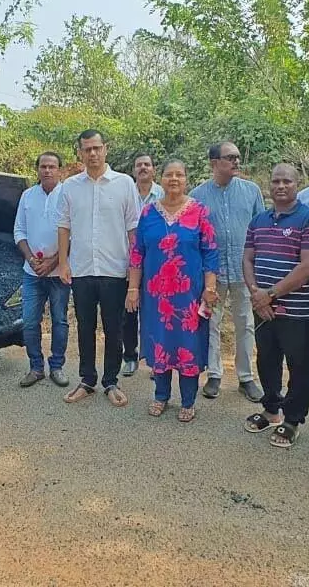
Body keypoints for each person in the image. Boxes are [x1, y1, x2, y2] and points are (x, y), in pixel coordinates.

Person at [127, 158, 220, 422]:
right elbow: (137, 254)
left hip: (189, 295)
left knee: (188, 344)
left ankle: (188, 400)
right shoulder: (148, 213)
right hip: (155, 296)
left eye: (180, 174)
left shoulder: (199, 211)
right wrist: (133, 288)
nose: (174, 179)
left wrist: (210, 288)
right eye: (169, 175)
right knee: (160, 341)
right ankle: (161, 395)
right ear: (162, 179)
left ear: (186, 178)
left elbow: (210, 252)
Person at [241, 163, 309, 448]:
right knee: (267, 360)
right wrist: (256, 293)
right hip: (262, 306)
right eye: (275, 181)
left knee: (299, 365)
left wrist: (270, 295)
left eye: (287, 181)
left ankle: (292, 419)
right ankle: (271, 410)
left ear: (297, 183)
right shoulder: (259, 220)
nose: (280, 186)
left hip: (298, 311)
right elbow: (248, 259)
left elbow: (308, 267)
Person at [56, 129, 139, 407]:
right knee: (85, 326)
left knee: (114, 328)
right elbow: (64, 226)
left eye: (96, 148)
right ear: (79, 152)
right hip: (81, 269)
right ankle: (87, 379)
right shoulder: (70, 186)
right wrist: (64, 263)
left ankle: (111, 381)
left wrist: (134, 268)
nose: (92, 154)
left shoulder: (124, 183)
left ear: (106, 149)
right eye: (86, 149)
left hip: (115, 270)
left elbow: (133, 229)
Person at [189, 141, 265, 401]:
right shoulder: (197, 196)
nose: (236, 161)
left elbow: (260, 231)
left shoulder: (251, 191)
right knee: (211, 321)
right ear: (214, 163)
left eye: (237, 157)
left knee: (246, 322)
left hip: (245, 270)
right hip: (212, 271)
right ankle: (214, 375)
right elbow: (194, 236)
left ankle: (246, 377)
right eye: (230, 157)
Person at [14, 151, 71, 388]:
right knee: (29, 321)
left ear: (60, 170)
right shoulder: (27, 196)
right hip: (32, 272)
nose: (47, 170)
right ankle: (35, 367)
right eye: (43, 166)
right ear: (37, 169)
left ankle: (56, 367)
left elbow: (73, 234)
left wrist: (54, 261)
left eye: (52, 166)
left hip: (59, 273)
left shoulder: (68, 196)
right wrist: (31, 258)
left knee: (60, 321)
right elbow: (19, 232)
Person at [122, 153, 165, 377]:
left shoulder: (164, 195)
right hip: (128, 263)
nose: (143, 168)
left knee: (156, 313)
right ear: (133, 170)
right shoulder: (125, 193)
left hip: (157, 264)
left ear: (154, 169)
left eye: (147, 164)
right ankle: (130, 357)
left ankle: (157, 359)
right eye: (138, 165)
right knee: (128, 312)